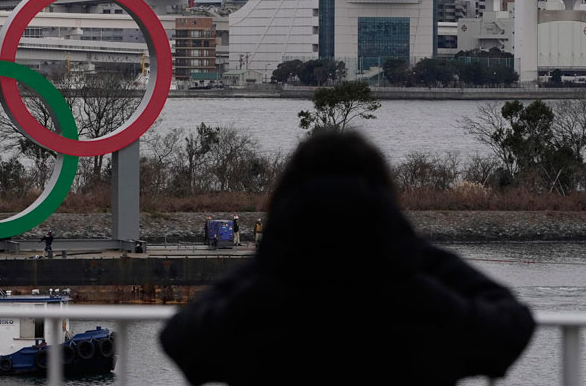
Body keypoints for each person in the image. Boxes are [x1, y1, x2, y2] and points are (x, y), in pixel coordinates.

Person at [160, 130, 534, 386]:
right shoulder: (418, 297)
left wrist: (270, 260)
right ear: (385, 202)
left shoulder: (260, 299)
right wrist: (413, 254)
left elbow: (182, 338)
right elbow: (510, 325)